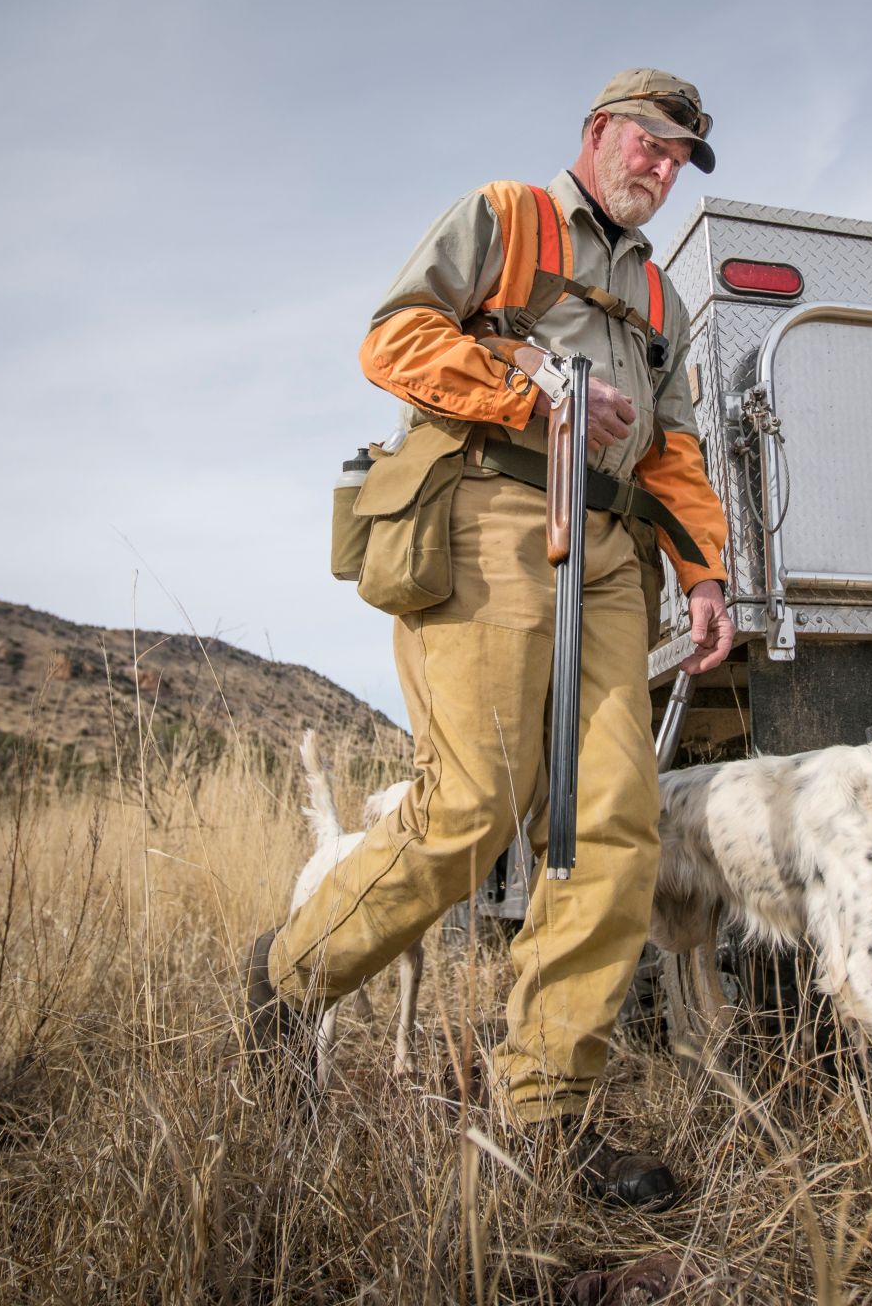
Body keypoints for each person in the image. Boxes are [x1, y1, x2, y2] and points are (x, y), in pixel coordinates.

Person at [246, 70, 734, 1209]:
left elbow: (673, 449)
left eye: (680, 159)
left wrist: (703, 572)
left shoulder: (660, 299)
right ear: (600, 133)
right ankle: (287, 979)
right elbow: (395, 340)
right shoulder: (508, 216)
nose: (662, 169)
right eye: (650, 144)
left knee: (614, 828)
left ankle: (547, 1112)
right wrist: (537, 390)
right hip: (491, 509)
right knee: (475, 804)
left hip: (611, 550)